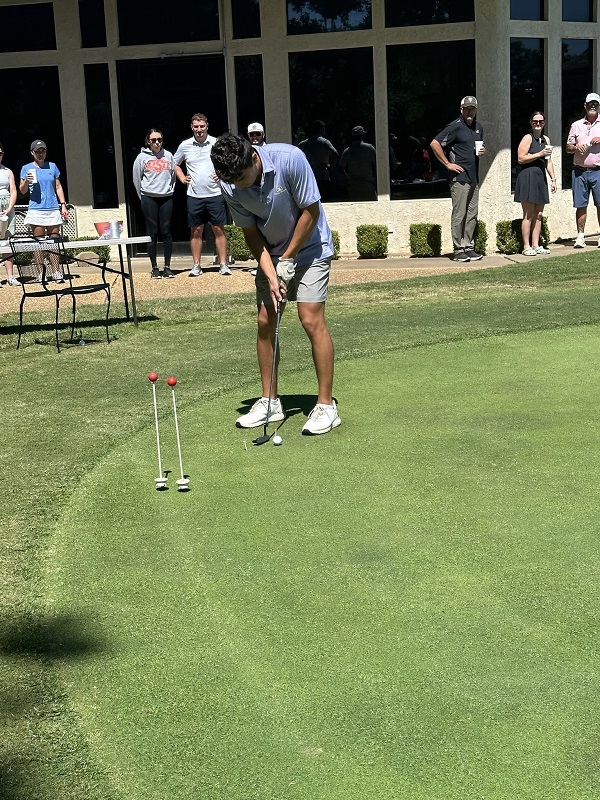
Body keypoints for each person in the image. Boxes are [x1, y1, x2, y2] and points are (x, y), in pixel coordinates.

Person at [210, 133, 341, 436]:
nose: (239, 186)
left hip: (311, 248)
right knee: (265, 321)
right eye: (233, 181)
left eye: (243, 177)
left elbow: (311, 212)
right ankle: (270, 401)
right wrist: (272, 274)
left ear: (254, 158)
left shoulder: (290, 159)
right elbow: (251, 234)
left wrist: (289, 258)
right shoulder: (230, 183)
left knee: (309, 318)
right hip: (271, 253)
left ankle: (326, 406)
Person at [173, 113, 231, 277]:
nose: (199, 130)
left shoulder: (216, 143)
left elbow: (227, 161)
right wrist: (182, 177)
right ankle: (196, 265)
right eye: (196, 127)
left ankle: (223, 264)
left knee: (218, 229)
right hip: (194, 195)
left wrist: (221, 173)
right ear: (192, 127)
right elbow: (175, 164)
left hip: (215, 194)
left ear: (207, 126)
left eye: (202, 126)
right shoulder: (185, 145)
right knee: (196, 231)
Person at [430, 96, 486, 262]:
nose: (470, 111)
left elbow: (477, 147)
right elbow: (435, 143)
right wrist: (448, 164)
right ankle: (458, 249)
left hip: (473, 177)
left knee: (472, 214)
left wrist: (482, 150)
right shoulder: (455, 126)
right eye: (467, 108)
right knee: (459, 214)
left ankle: (468, 247)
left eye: (472, 108)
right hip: (459, 178)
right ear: (461, 110)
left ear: (476, 110)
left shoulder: (478, 127)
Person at [19, 139, 69, 281]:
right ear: (32, 153)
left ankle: (56, 272)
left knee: (54, 242)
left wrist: (63, 204)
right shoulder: (26, 168)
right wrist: (26, 181)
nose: (40, 154)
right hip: (36, 209)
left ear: (46, 152)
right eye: (37, 151)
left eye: (43, 151)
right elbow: (22, 191)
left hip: (53, 208)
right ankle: (41, 273)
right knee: (38, 242)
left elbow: (58, 186)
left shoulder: (52, 167)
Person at [133, 128, 176, 279]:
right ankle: (155, 267)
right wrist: (143, 197)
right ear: (148, 141)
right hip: (149, 198)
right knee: (152, 233)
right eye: (153, 140)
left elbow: (173, 177)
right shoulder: (141, 158)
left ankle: (168, 267)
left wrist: (168, 190)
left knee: (167, 233)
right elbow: (137, 179)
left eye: (159, 140)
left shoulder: (169, 155)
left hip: (166, 197)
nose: (157, 143)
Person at [514, 111, 557, 255]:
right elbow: (521, 158)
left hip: (540, 179)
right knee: (528, 214)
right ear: (531, 123)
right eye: (535, 121)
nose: (538, 124)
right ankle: (526, 246)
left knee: (539, 214)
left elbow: (548, 162)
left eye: (541, 121)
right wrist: (539, 154)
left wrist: (553, 179)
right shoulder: (528, 138)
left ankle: (536, 245)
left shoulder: (546, 140)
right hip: (527, 177)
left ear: (544, 122)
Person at [566, 92, 600, 248]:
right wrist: (575, 147)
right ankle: (580, 236)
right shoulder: (576, 125)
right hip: (579, 171)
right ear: (585, 106)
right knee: (581, 205)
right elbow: (568, 147)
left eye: (596, 104)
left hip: (598, 171)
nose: (593, 106)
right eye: (590, 104)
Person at [298, 120, 340, 201]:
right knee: (324, 200)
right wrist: (331, 167)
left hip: (308, 177)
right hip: (323, 176)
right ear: (321, 129)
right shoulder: (324, 142)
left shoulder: (303, 144)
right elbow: (336, 155)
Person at [339, 125, 377, 201]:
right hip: (367, 183)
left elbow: (341, 166)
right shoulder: (369, 148)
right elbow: (377, 164)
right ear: (363, 135)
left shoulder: (347, 151)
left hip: (353, 185)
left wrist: (347, 178)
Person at [0, 142, 19, 287]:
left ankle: (10, 277)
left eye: (0, 153)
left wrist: (9, 207)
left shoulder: (8, 171)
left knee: (7, 241)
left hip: (7, 207)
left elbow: (13, 191)